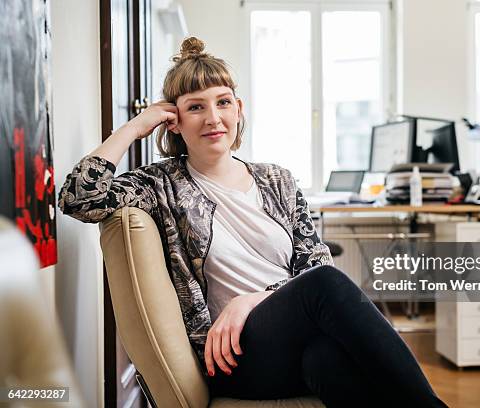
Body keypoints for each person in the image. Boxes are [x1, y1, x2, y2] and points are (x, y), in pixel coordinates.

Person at [58, 37, 447, 408]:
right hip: (233, 358)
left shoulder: (277, 179)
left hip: (294, 340)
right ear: (173, 121)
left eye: (223, 102)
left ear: (238, 109)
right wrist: (135, 127)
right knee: (327, 287)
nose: (214, 118)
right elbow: (77, 199)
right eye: (195, 107)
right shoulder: (160, 185)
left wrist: (252, 300)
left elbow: (315, 263)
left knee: (325, 359)